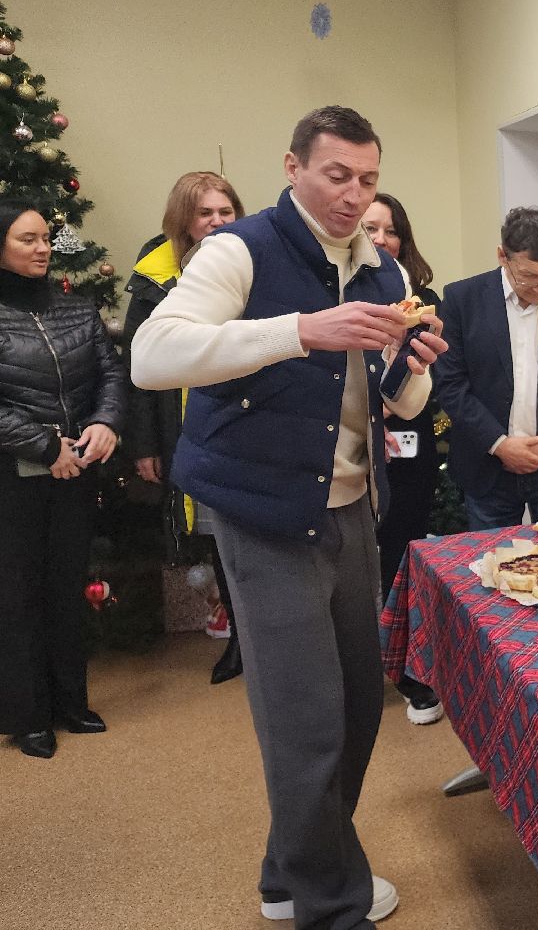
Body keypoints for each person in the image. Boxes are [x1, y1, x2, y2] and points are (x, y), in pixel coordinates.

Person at [130, 106, 446, 929]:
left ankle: (286, 873)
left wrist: (413, 365)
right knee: (305, 720)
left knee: (357, 707)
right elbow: (152, 357)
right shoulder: (241, 250)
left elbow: (401, 405)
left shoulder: (384, 272)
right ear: (294, 167)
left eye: (368, 179)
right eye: (337, 175)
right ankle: (330, 906)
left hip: (351, 511)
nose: (354, 194)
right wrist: (301, 330)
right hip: (265, 514)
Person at [0, 201, 125, 759]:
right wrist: (45, 446)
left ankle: (72, 702)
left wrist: (105, 422)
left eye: (45, 238)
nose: (42, 248)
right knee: (17, 594)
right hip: (14, 477)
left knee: (66, 587)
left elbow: (111, 371)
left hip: (75, 469)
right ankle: (28, 716)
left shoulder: (77, 309)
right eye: (26, 239)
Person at [121, 170, 247, 684]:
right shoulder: (153, 281)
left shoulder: (253, 262)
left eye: (225, 211)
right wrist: (144, 445)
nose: (217, 222)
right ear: (183, 220)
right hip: (189, 427)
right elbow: (137, 371)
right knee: (218, 538)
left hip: (247, 424)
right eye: (204, 213)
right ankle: (238, 639)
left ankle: (261, 641)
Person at [434, 206, 538, 529]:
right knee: (491, 557)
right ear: (503, 256)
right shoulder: (462, 299)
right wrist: (500, 445)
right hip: (487, 467)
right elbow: (451, 384)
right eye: (528, 276)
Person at [359, 193, 442, 725]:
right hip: (347, 454)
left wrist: (392, 405)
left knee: (400, 560)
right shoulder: (341, 298)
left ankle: (410, 674)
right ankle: (358, 674)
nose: (380, 239)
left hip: (408, 450)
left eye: (390, 231)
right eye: (371, 229)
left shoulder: (423, 302)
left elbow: (435, 376)